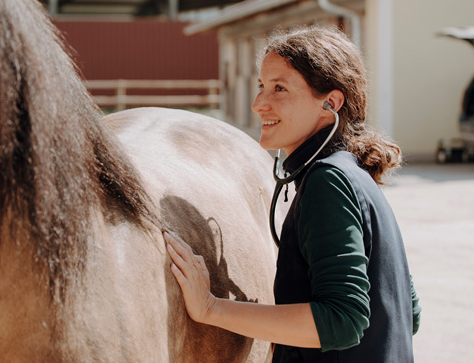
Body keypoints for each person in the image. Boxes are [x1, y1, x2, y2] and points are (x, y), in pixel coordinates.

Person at [164, 26, 421, 362]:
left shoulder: (328, 181)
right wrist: (287, 334)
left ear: (331, 102)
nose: (259, 104)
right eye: (261, 87)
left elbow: (344, 321)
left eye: (279, 88)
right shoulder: (355, 176)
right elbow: (408, 312)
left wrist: (212, 308)